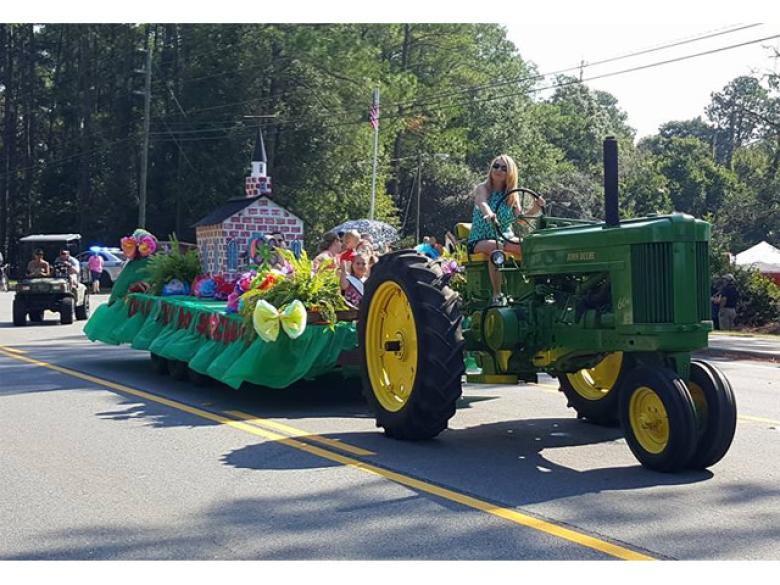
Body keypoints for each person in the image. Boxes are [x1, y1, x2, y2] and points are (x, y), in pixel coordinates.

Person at [467, 154, 544, 305]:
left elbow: (521, 220)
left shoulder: (511, 195)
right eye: (496, 166)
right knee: (496, 246)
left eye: (504, 168)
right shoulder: (483, 188)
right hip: (481, 238)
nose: (499, 170)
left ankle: (532, 291)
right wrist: (489, 214)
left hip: (505, 236)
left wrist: (536, 207)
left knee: (530, 247)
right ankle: (497, 295)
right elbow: (482, 203)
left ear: (510, 172)